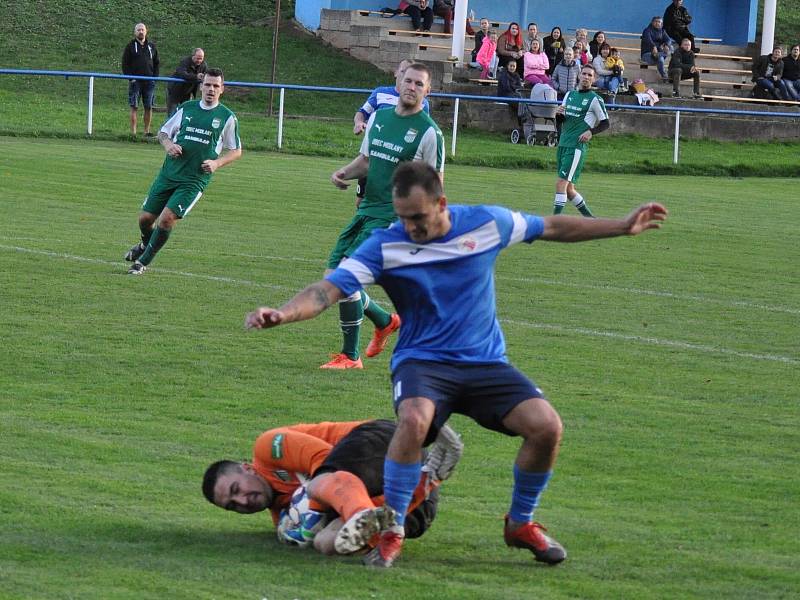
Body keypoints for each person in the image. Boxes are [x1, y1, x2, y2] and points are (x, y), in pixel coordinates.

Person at [244, 161, 668, 568]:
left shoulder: (487, 223)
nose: (410, 227)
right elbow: (328, 290)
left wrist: (621, 225)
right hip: (423, 364)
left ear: (442, 203)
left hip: (484, 363)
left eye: (418, 218)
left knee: (547, 428)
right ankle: (392, 529)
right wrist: (282, 313)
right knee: (412, 420)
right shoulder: (385, 245)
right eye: (403, 217)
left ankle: (520, 523)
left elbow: (552, 225)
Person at [322, 62, 444, 369]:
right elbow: (366, 160)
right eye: (409, 80)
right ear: (399, 81)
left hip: (392, 217)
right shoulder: (378, 117)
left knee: (346, 277)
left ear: (427, 91)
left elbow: (435, 184)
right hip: (366, 210)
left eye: (420, 84)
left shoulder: (430, 132)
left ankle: (350, 357)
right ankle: (385, 320)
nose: (412, 87)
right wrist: (344, 173)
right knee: (334, 279)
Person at [202, 419, 464, 555]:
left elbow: (329, 461)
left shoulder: (269, 446)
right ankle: (429, 479)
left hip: (382, 445)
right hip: (417, 509)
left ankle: (362, 512)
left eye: (237, 490)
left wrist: (314, 509)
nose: (243, 501)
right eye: (233, 506)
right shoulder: (284, 519)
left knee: (319, 484)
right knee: (325, 543)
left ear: (247, 468)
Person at [124, 68, 242, 275]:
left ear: (222, 89)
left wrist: (217, 164)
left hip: (194, 180)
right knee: (144, 219)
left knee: (167, 219)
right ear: (201, 86)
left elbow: (236, 150)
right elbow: (163, 133)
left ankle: (142, 262)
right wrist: (168, 145)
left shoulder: (227, 117)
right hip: (169, 174)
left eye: (216, 86)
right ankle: (145, 245)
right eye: (207, 85)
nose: (211, 89)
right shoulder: (187, 108)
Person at [352, 59, 431, 204]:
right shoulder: (380, 93)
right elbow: (362, 112)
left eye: (417, 82)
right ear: (396, 73)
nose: (409, 83)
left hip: (397, 157)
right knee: (361, 201)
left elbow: (420, 129)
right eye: (403, 73)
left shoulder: (422, 104)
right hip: (373, 153)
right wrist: (359, 123)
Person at [553, 64, 609, 217]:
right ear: (579, 75)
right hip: (563, 143)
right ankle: (591, 219)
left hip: (576, 147)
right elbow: (562, 120)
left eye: (590, 75)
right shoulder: (569, 95)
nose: (586, 77)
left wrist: (591, 132)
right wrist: (558, 115)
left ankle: (554, 221)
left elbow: (606, 123)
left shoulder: (595, 99)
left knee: (561, 184)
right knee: (569, 189)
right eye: (584, 74)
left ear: (594, 79)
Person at [121, 22, 160, 136]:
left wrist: (154, 78)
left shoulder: (151, 46)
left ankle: (146, 131)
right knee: (134, 106)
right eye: (138, 30)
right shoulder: (130, 46)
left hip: (149, 82)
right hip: (135, 82)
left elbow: (157, 63)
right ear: (135, 32)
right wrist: (131, 78)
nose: (141, 32)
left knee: (148, 107)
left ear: (146, 31)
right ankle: (133, 133)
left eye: (142, 29)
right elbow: (125, 64)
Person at [166, 48, 208, 117]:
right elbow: (182, 74)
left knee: (186, 114)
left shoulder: (204, 65)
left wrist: (204, 78)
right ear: (193, 56)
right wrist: (196, 76)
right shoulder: (185, 61)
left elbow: (207, 75)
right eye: (198, 58)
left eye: (201, 59)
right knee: (172, 115)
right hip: (174, 91)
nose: (199, 61)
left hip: (187, 93)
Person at [641, 16, 674, 82]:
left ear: (661, 24)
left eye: (659, 22)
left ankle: (660, 55)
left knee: (671, 47)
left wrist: (666, 45)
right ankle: (664, 76)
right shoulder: (647, 30)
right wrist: (654, 47)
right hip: (647, 54)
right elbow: (648, 40)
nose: (657, 23)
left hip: (658, 54)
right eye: (655, 21)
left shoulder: (662, 31)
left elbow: (668, 40)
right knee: (660, 59)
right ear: (652, 22)